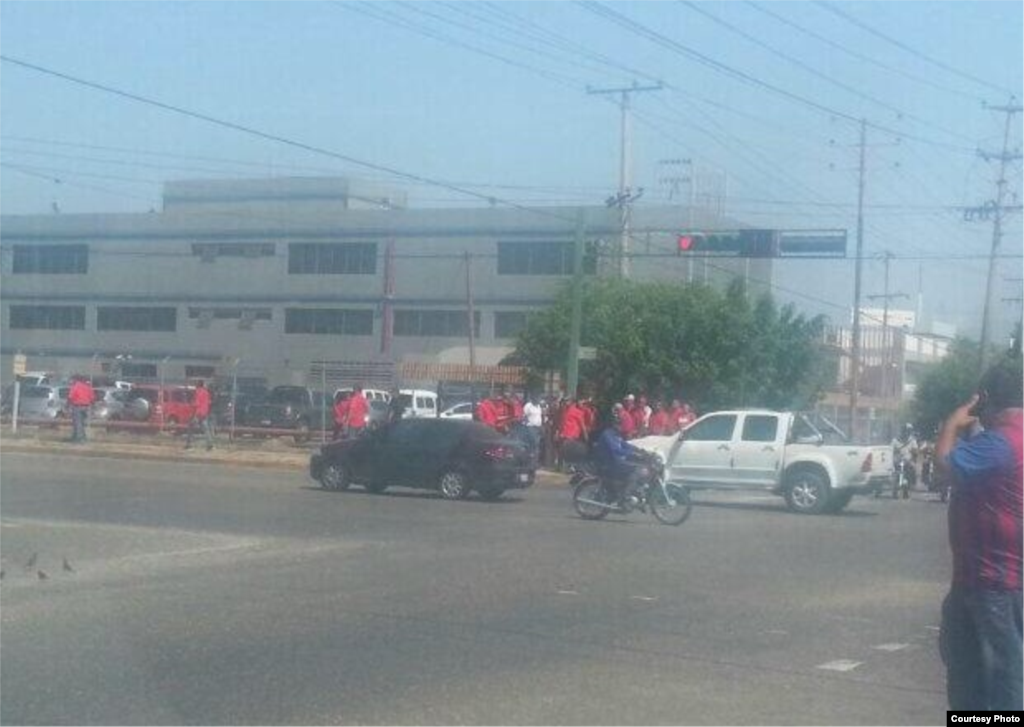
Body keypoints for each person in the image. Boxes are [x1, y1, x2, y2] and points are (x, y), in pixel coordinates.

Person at [936, 361, 1024, 710]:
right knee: (990, 671)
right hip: (996, 579)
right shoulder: (1005, 440)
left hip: (992, 580)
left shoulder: (1001, 444)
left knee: (995, 673)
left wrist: (952, 423)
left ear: (984, 398)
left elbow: (944, 466)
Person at [594, 413, 651, 506]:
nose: (621, 426)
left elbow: (626, 445)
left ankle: (626, 491)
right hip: (608, 464)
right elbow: (616, 450)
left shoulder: (616, 435)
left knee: (636, 466)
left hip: (615, 462)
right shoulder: (608, 434)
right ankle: (625, 496)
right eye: (619, 424)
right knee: (636, 469)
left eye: (621, 424)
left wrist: (640, 450)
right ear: (614, 424)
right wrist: (632, 453)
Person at [185, 380, 214, 451]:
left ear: (198, 385)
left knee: (191, 427)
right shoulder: (206, 392)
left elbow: (197, 403)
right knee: (206, 429)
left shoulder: (198, 392)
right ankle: (210, 444)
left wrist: (192, 406)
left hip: (198, 413)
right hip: (205, 412)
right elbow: (209, 402)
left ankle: (189, 444)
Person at [66, 375, 95, 443]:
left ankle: (79, 439)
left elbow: (70, 397)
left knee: (77, 423)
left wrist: (67, 405)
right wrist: (92, 406)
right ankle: (80, 437)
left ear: (76, 379)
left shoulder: (75, 386)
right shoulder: (88, 387)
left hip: (77, 406)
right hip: (86, 407)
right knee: (82, 423)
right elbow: (92, 398)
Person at [522, 394, 544, 461]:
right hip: (530, 427)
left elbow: (539, 416)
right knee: (534, 443)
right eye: (537, 398)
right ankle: (530, 458)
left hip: (538, 427)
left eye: (539, 398)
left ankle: (535, 460)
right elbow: (524, 416)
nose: (538, 400)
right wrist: (526, 426)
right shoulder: (528, 406)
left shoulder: (539, 406)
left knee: (537, 444)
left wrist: (541, 426)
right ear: (533, 398)